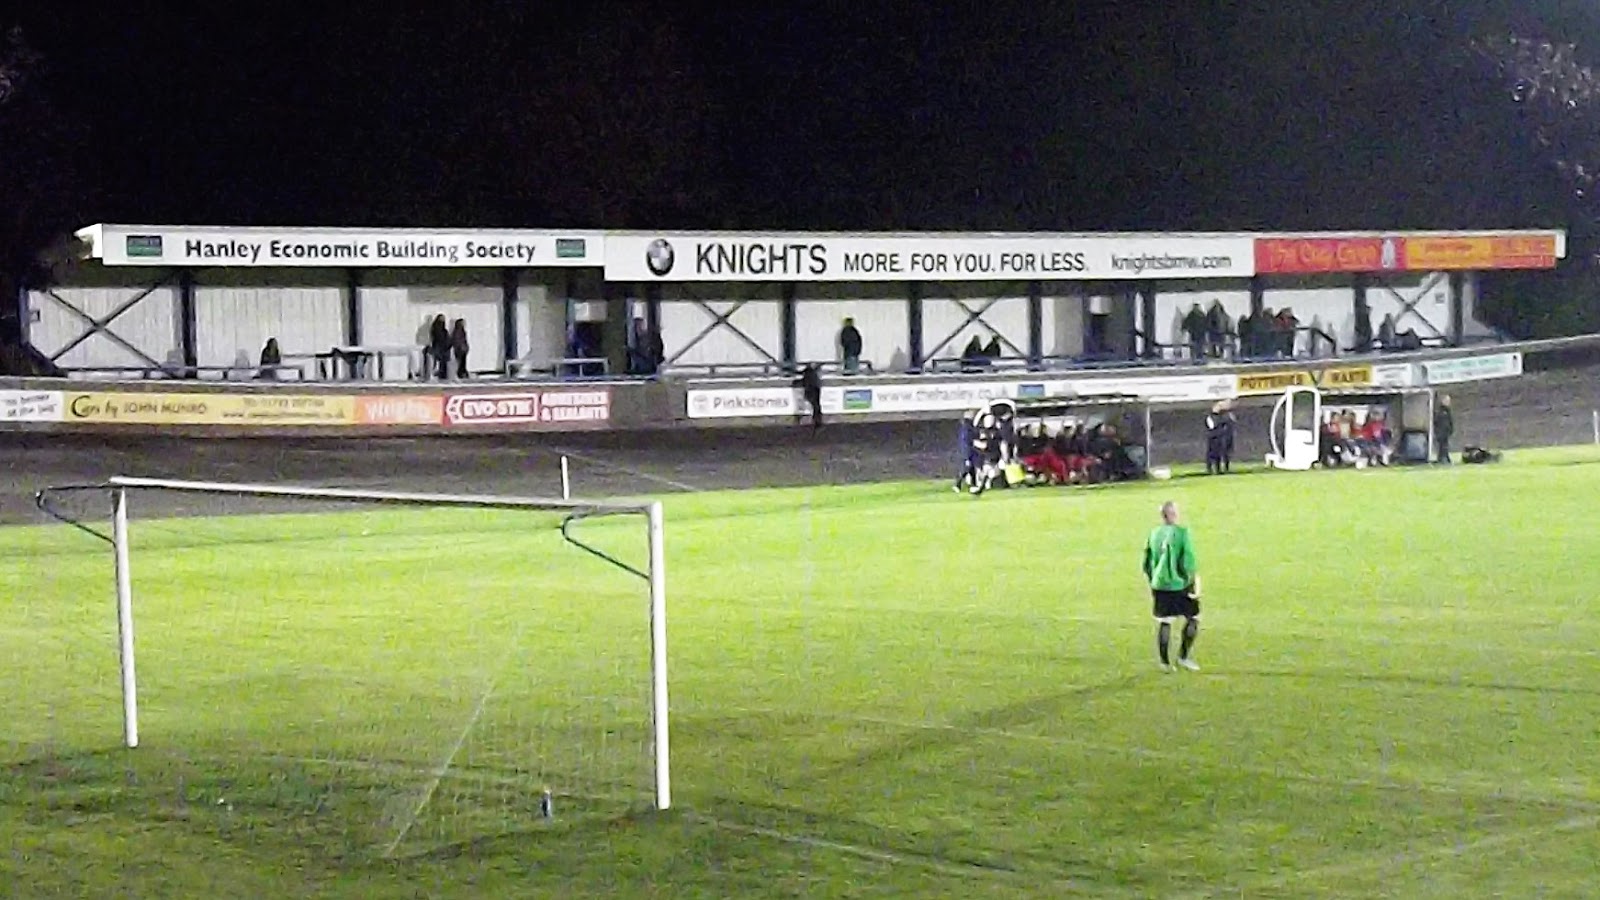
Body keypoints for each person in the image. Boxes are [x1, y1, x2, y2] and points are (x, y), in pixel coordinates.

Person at [1143, 501, 1201, 673]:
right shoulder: (1182, 533)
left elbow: (1146, 562)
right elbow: (1187, 560)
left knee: (1165, 622)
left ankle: (1164, 662)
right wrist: (1191, 580)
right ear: (1173, 514)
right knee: (1194, 617)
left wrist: (1153, 580)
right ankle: (1183, 657)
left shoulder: (1154, 534)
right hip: (1179, 584)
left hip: (1159, 584)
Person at [793, 363, 823, 431]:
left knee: (813, 406)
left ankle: (815, 420)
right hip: (814, 390)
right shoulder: (813, 375)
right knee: (816, 406)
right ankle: (817, 421)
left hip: (811, 391)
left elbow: (803, 381)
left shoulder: (808, 374)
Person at [428, 315, 450, 380]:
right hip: (438, 346)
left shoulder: (443, 329)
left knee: (442, 361)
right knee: (437, 360)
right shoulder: (436, 328)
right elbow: (436, 336)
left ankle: (442, 374)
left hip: (443, 347)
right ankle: (436, 373)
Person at [1434, 394, 1454, 464]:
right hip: (1441, 432)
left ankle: (1445, 458)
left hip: (1446, 431)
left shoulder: (1448, 411)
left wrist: (1451, 429)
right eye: (1446, 400)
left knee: (1445, 445)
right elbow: (1436, 421)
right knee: (1442, 446)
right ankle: (1442, 458)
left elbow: (1450, 421)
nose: (1448, 402)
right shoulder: (1440, 411)